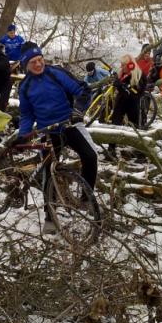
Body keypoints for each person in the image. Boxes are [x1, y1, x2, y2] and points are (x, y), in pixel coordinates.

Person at [17, 42, 96, 234]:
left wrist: (77, 111)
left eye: (40, 59)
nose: (38, 64)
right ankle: (50, 217)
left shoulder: (56, 73)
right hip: (47, 132)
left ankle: (86, 199)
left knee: (90, 156)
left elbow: (83, 90)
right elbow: (26, 114)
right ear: (26, 65)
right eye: (33, 62)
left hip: (68, 125)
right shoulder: (25, 86)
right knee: (47, 173)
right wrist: (23, 134)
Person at [112, 54, 146, 128]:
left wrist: (122, 86)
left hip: (133, 104)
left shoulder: (139, 76)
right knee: (115, 123)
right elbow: (121, 90)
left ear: (130, 65)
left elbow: (135, 95)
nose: (121, 67)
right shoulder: (122, 74)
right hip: (121, 101)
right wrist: (118, 84)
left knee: (134, 126)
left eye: (123, 65)